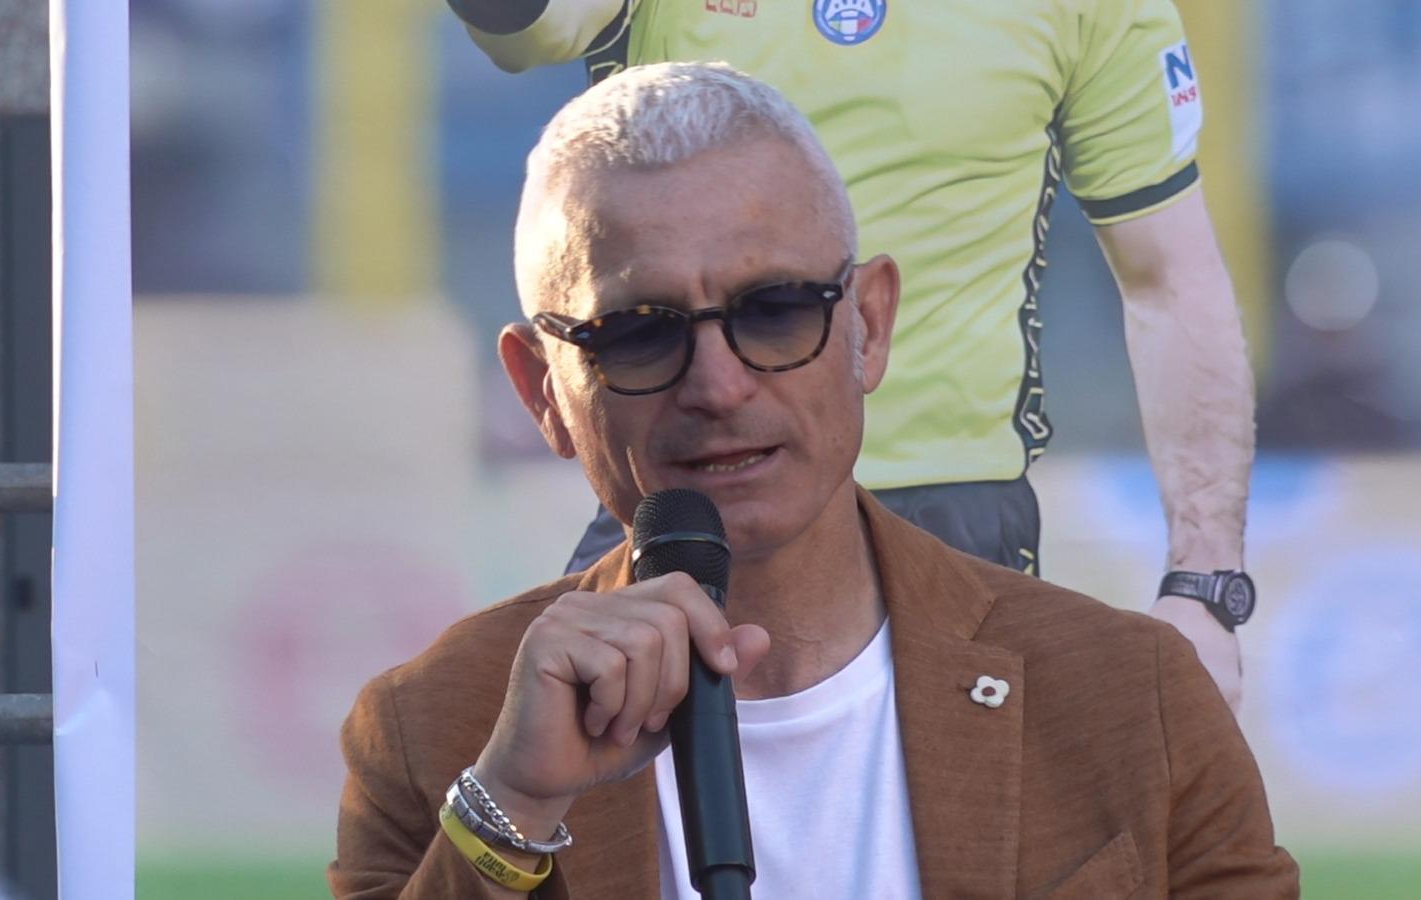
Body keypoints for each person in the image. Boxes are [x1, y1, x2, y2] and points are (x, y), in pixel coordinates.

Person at [330, 63, 1295, 898]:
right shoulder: (440, 733)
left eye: (775, 310)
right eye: (638, 333)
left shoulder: (1130, 697)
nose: (718, 386)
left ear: (868, 325)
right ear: (541, 390)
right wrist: (513, 808)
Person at [449, 0, 1258, 713]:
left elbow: (1170, 281)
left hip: (946, 510)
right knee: (577, 819)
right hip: (685, 494)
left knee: (953, 833)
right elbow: (525, 28)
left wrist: (1204, 587)